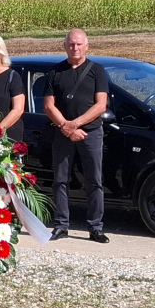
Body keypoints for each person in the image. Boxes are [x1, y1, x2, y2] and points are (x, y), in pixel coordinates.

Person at [43, 29, 110, 243]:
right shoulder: (55, 72)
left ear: (86, 46)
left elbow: (101, 105)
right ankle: (61, 225)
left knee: (94, 180)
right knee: (60, 180)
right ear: (64, 46)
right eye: (71, 44)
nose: (75, 48)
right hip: (62, 133)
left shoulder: (97, 71)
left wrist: (75, 124)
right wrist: (66, 127)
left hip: (91, 132)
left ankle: (95, 227)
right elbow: (48, 105)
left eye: (79, 44)